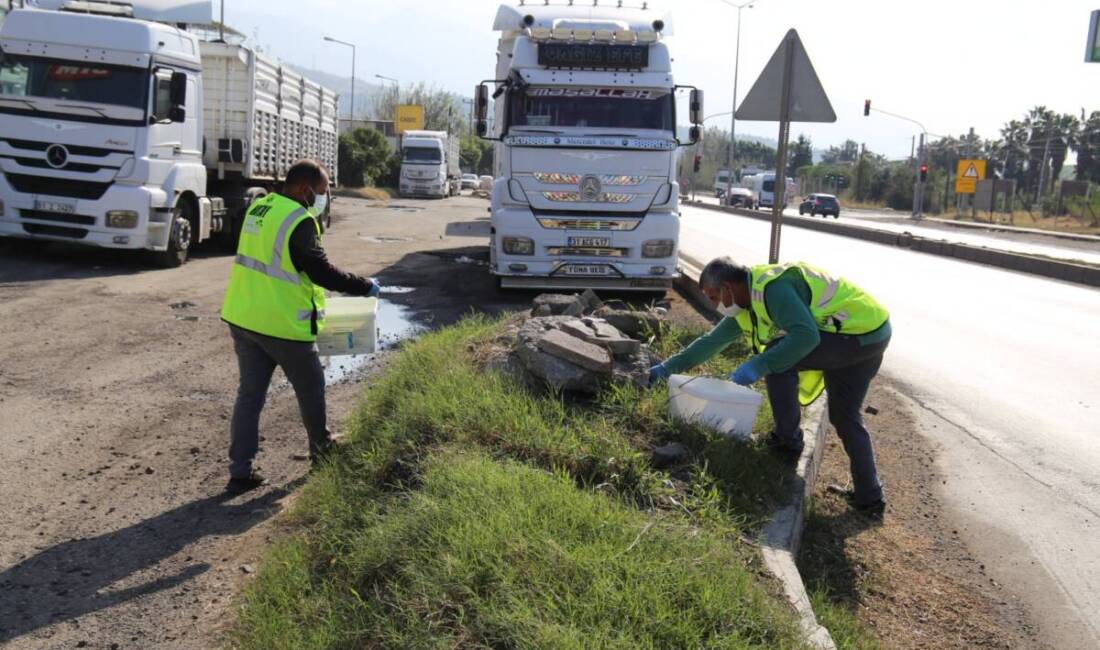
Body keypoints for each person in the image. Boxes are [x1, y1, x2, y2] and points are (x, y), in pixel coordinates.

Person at [650, 257, 891, 517]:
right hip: (872, 331)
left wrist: (758, 365)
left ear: (729, 287)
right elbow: (711, 343)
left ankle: (787, 443)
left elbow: (806, 336)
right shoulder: (747, 304)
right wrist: (666, 368)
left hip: (858, 334)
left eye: (713, 296)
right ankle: (870, 498)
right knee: (845, 417)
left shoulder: (773, 290)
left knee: (778, 358)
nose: (713, 304)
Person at [220, 159, 379, 493]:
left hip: (245, 318)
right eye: (321, 192)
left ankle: (239, 470)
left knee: (249, 397)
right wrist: (364, 286)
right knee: (311, 390)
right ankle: (321, 452)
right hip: (283, 325)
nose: (323, 199)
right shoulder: (299, 221)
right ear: (304, 189)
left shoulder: (260, 208)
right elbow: (320, 271)